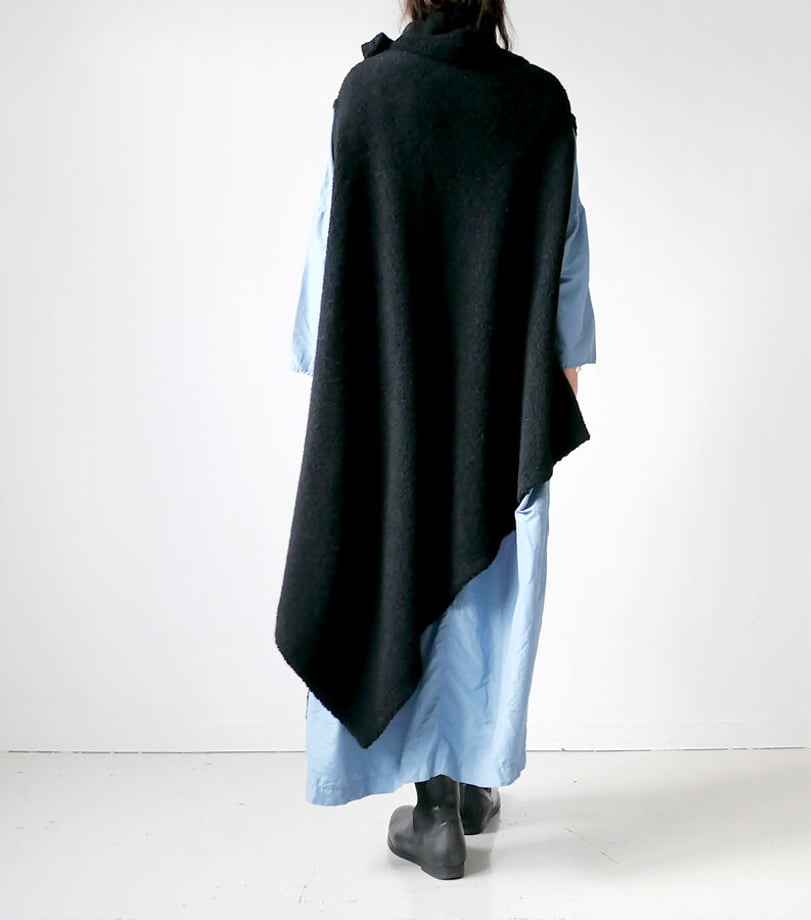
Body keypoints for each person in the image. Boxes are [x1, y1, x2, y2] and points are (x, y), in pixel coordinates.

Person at [278, 0, 596, 880]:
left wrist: (324, 358)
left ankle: (435, 809)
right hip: (502, 392)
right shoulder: (539, 102)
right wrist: (567, 365)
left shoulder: (370, 96)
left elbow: (333, 240)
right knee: (484, 580)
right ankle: (473, 780)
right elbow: (567, 247)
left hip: (394, 388)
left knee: (402, 559)